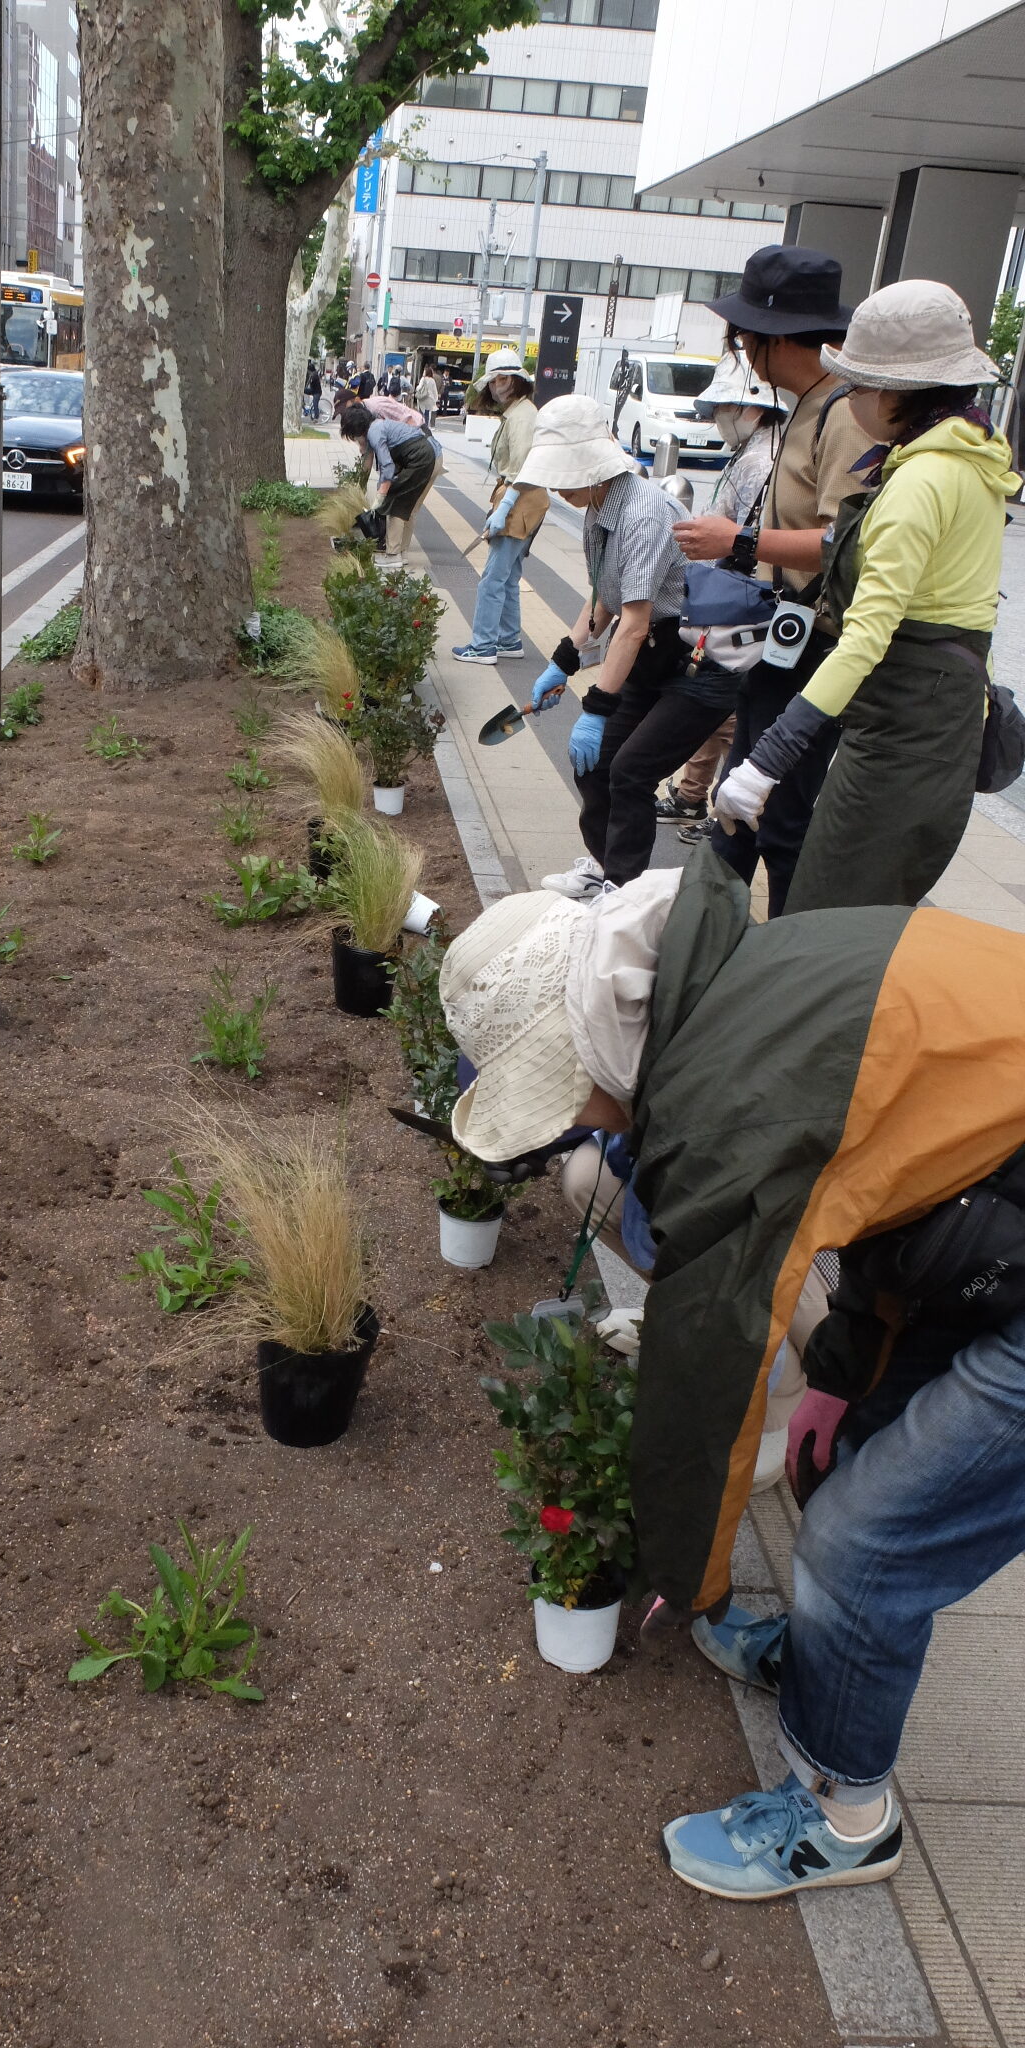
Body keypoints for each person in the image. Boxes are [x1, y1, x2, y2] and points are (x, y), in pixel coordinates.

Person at [439, 848, 1025, 1899]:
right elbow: (897, 1178)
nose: (583, 1124)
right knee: (853, 1463)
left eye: (565, 1095)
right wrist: (844, 1371)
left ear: (592, 1046)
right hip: (1000, 1227)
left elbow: (707, 1381)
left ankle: (848, 1816)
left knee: (864, 1543)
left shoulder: (725, 1104)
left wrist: (696, 1585)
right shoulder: (748, 984)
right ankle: (828, 1660)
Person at [714, 280, 1017, 912]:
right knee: (867, 913)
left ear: (890, 392)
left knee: (828, 912)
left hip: (904, 732)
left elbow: (866, 637)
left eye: (852, 385)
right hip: (941, 720)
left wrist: (767, 759)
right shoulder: (970, 460)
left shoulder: (920, 481)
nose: (846, 400)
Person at [673, 247, 869, 915]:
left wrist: (741, 541)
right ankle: (707, 948)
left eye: (741, 340)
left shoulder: (842, 412)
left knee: (778, 818)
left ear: (771, 339)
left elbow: (845, 543)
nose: (740, 354)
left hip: (812, 645)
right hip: (782, 639)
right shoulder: (806, 404)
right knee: (741, 808)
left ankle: (777, 972)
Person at [515, 395, 730, 901]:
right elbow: (604, 602)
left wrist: (596, 706)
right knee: (593, 765)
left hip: (698, 665)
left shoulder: (644, 514)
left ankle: (623, 893)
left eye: (564, 474)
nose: (558, 487)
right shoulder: (597, 506)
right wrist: (561, 664)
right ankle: (602, 865)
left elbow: (633, 624)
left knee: (629, 771)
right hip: (652, 657)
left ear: (593, 466)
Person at [655, 353, 790, 842]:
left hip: (743, 604)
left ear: (749, 406)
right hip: (734, 599)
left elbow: (752, 536)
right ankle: (695, 797)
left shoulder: (761, 459)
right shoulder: (754, 450)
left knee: (729, 707)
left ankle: (718, 808)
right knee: (721, 699)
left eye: (721, 409)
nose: (715, 419)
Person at [452, 350, 547, 665]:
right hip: (527, 500)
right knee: (507, 575)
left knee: (493, 577)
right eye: (494, 381)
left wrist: (503, 509)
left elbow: (521, 469)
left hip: (520, 498)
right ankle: (508, 639)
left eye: (502, 380)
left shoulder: (521, 416)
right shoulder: (522, 412)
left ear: (517, 380)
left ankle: (484, 645)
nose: (496, 387)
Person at [338, 400, 439, 570]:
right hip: (427, 455)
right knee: (404, 504)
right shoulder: (377, 425)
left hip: (421, 458)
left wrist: (381, 495)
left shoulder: (374, 432)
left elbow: (387, 466)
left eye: (353, 437)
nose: (356, 441)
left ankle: (392, 555)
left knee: (395, 501)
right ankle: (400, 553)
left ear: (356, 430)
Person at [416, 363, 441, 430]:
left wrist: (417, 389)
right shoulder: (432, 380)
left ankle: (420, 425)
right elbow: (434, 390)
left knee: (421, 412)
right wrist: (436, 399)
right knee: (427, 413)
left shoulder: (423, 379)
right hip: (429, 399)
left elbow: (419, 387)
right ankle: (426, 425)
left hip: (423, 398)